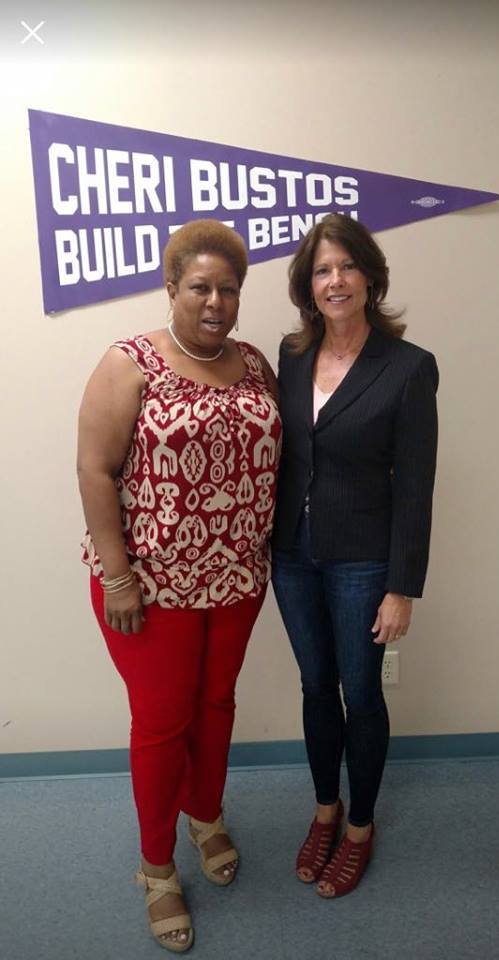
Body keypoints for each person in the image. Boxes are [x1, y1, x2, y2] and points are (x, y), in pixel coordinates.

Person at [77, 219, 281, 952]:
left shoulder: (255, 364)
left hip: (237, 580)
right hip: (150, 588)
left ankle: (206, 813)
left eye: (229, 288)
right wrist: (118, 576)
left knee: (216, 704)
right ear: (171, 288)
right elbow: (95, 469)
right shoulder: (129, 363)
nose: (216, 301)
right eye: (200, 287)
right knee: (162, 725)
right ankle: (157, 865)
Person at [271, 213, 438, 899]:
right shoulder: (291, 355)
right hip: (291, 554)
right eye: (321, 270)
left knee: (360, 694)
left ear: (370, 277)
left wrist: (403, 586)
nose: (335, 280)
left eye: (346, 266)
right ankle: (325, 812)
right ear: (307, 286)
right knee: (315, 687)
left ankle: (360, 827)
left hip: (363, 562)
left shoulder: (408, 368)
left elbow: (416, 486)